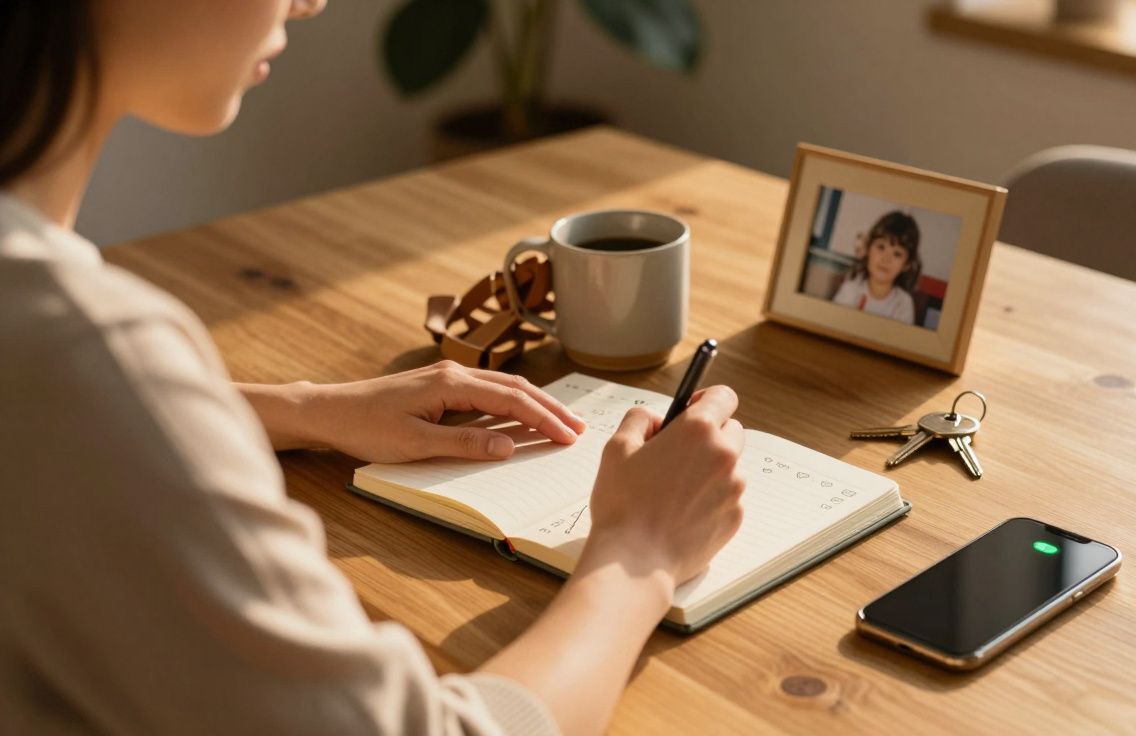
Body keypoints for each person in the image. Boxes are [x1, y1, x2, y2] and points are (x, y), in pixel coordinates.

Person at [0, 2, 747, 735]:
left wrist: (297, 407)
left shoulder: (59, 346)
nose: (310, 2)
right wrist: (638, 554)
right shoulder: (85, 352)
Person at [830, 211, 922, 325]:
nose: (886, 259)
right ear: (868, 248)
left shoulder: (903, 304)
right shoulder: (851, 290)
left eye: (897, 254)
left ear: (906, 264)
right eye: (881, 247)